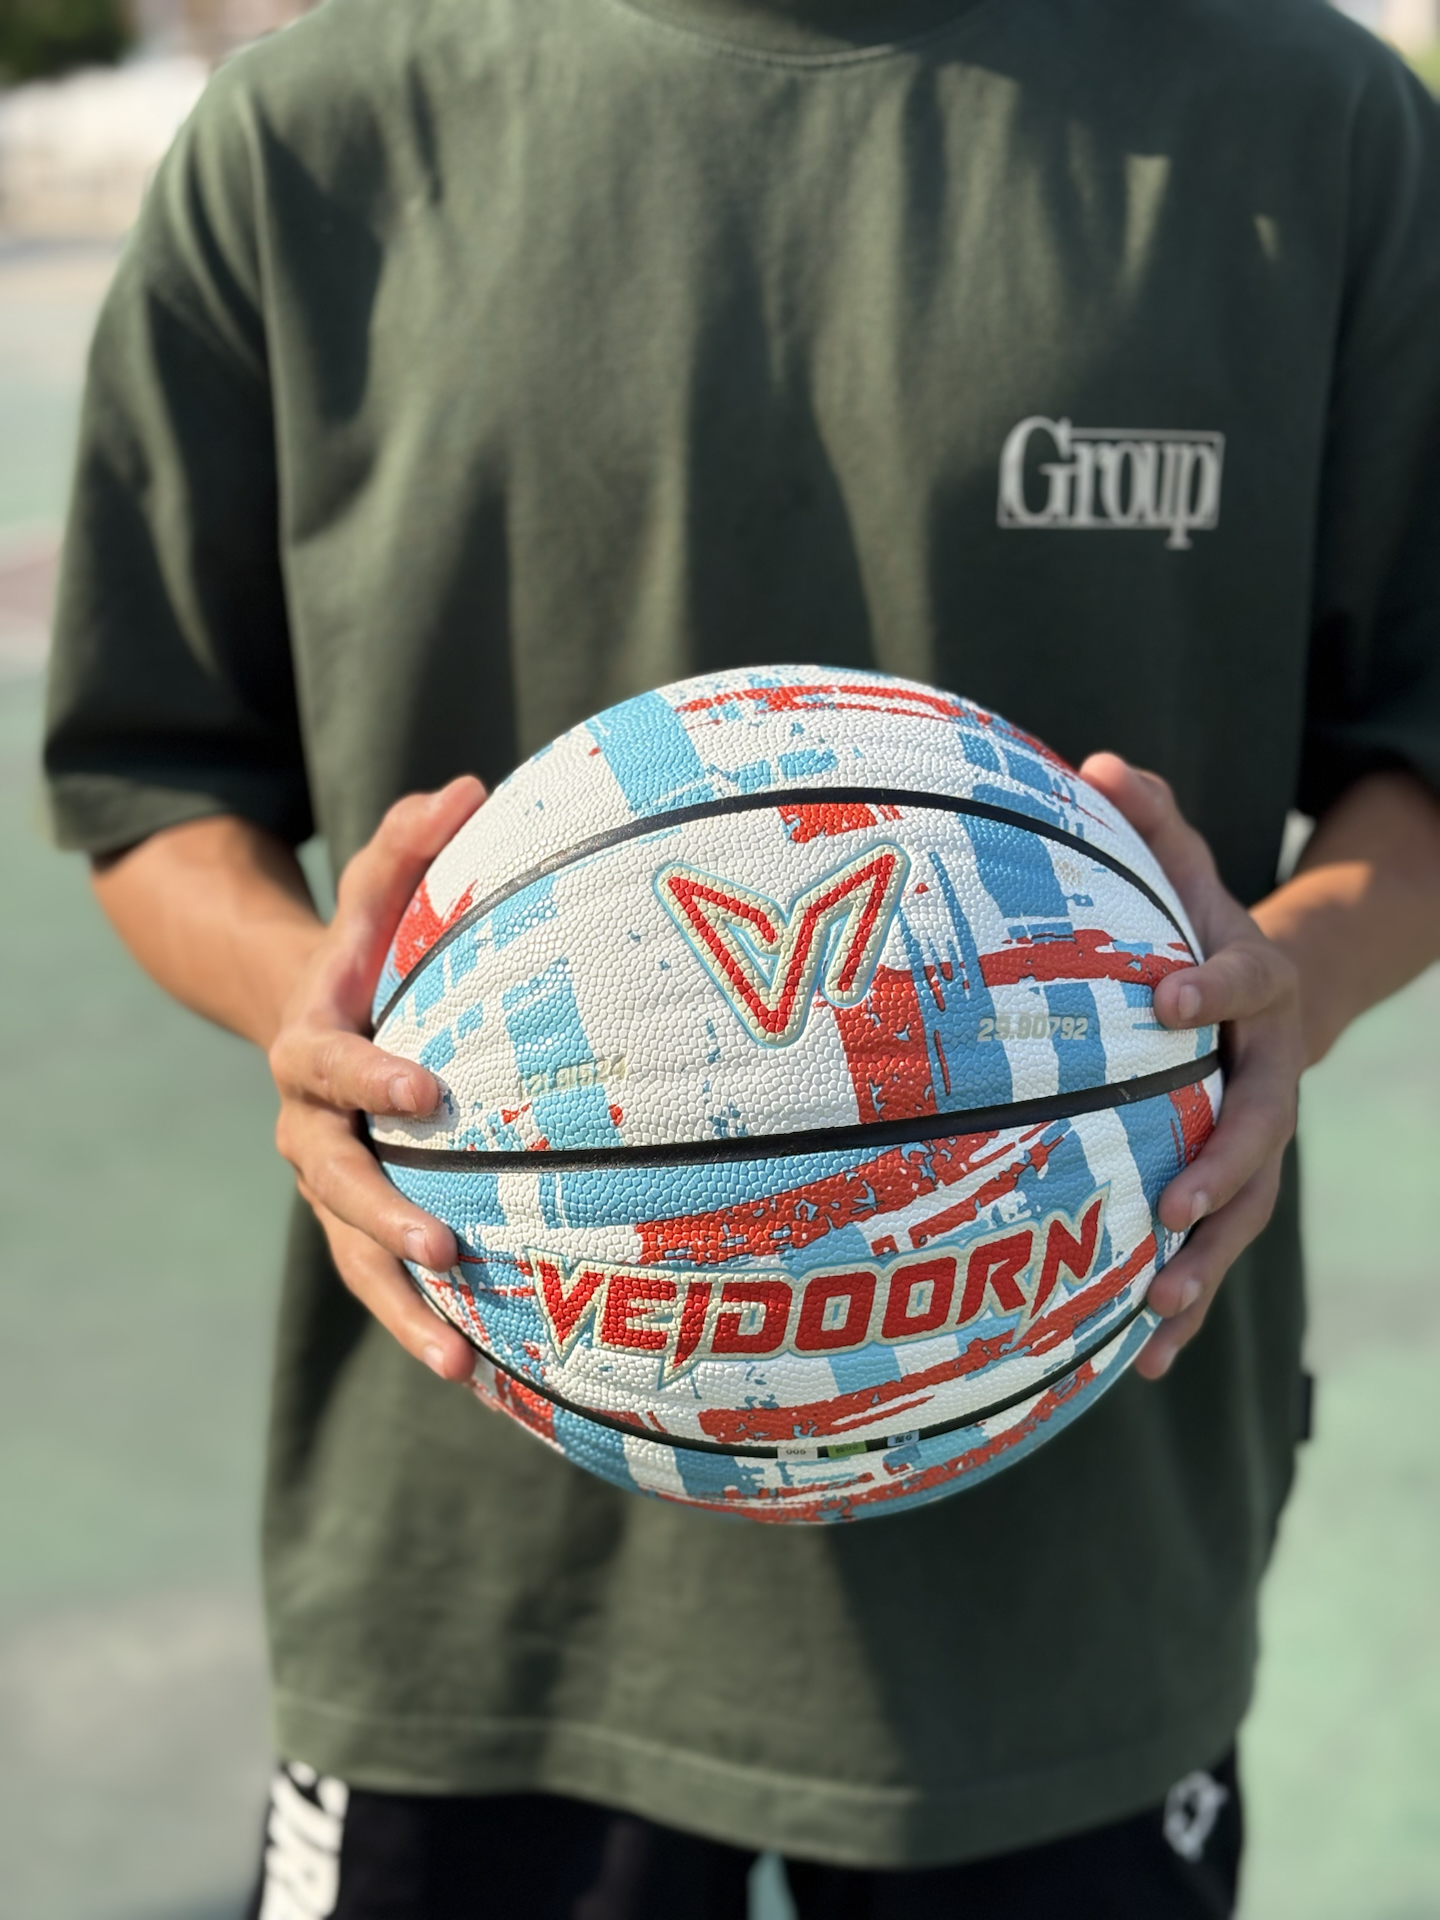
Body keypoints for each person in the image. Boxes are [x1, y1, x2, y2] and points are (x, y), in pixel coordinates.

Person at [43, 0, 1440, 1913]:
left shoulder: (1309, 124)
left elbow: (1417, 758)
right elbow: (154, 780)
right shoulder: (309, 136)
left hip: (1077, 1538)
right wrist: (312, 1005)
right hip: (482, 1544)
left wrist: (1292, 980)